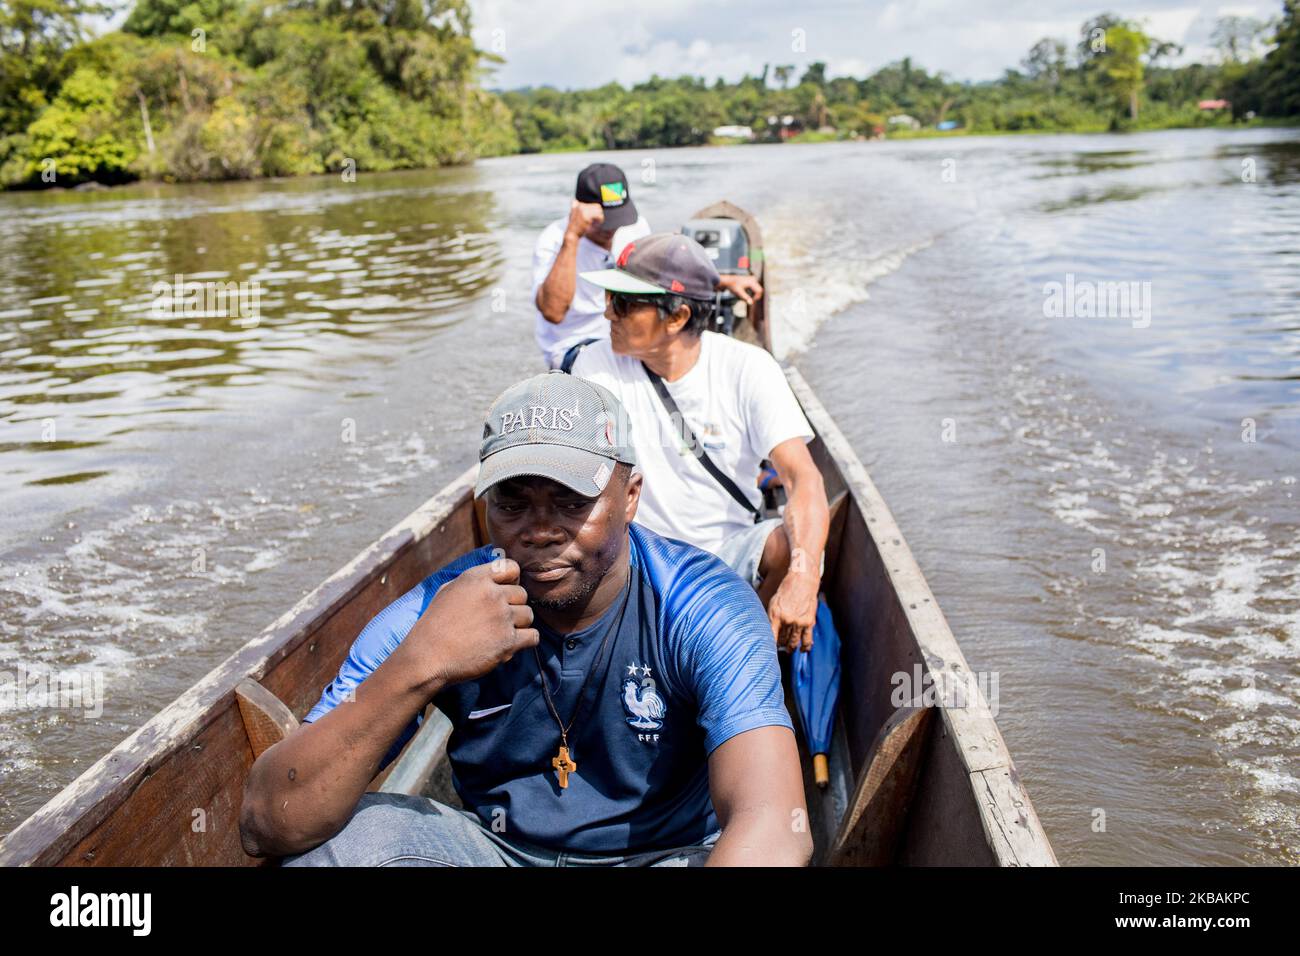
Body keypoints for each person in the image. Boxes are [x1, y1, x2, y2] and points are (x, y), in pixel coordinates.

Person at [239, 372, 811, 867]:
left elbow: (774, 828)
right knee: (341, 846)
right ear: (482, 507)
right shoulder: (433, 610)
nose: (540, 531)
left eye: (570, 502)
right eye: (512, 504)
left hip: (666, 854)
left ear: (630, 496)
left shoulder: (700, 605)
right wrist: (421, 664)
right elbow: (265, 822)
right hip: (500, 851)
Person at [569, 233, 829, 652]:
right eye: (609, 297)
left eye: (624, 302)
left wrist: (803, 577)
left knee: (786, 545)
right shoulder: (596, 365)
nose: (607, 313)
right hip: (634, 558)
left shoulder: (747, 368)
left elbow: (803, 480)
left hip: (725, 556)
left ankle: (748, 650)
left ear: (677, 317)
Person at [532, 163, 762, 368]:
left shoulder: (634, 227)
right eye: (601, 223)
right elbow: (553, 313)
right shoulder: (554, 240)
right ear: (577, 210)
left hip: (633, 334)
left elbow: (657, 279)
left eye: (617, 220)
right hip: (576, 345)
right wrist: (572, 237)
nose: (611, 230)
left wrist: (724, 281)